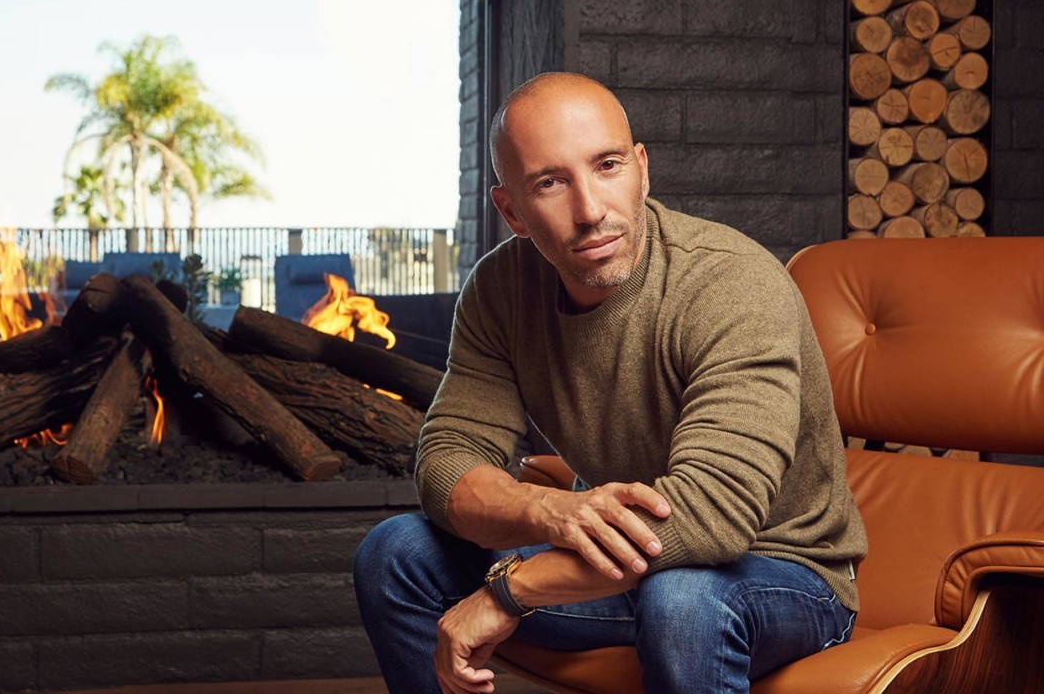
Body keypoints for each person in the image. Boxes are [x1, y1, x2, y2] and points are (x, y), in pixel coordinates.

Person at [354, 72, 867, 694]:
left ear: (642, 170)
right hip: (620, 565)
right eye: (550, 182)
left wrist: (510, 591)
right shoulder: (500, 291)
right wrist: (549, 509)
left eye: (608, 166)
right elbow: (447, 460)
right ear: (512, 211)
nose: (591, 210)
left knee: (682, 600)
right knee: (396, 553)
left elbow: (711, 516)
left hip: (780, 573)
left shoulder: (731, 284)